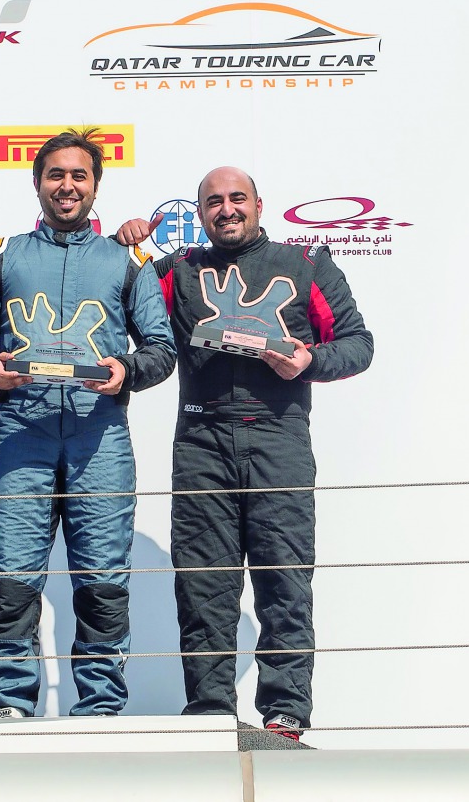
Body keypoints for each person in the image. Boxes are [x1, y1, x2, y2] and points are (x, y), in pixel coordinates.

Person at [117, 166, 373, 741]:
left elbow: (358, 344)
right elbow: (113, 290)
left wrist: (311, 361)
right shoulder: (177, 271)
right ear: (200, 212)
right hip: (201, 439)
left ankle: (285, 715)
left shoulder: (306, 264)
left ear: (260, 204)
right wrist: (122, 243)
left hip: (279, 436)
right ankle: (208, 711)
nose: (226, 209)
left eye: (237, 199)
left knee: (285, 580)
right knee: (204, 583)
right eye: (213, 202)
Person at [0, 130, 176, 718]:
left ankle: (100, 706)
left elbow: (162, 348)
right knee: (11, 582)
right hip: (20, 439)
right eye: (56, 174)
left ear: (95, 185)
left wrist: (125, 372)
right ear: (37, 183)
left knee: (102, 582)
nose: (67, 185)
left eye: (79, 175)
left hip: (98, 436)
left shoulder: (126, 261)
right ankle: (9, 704)